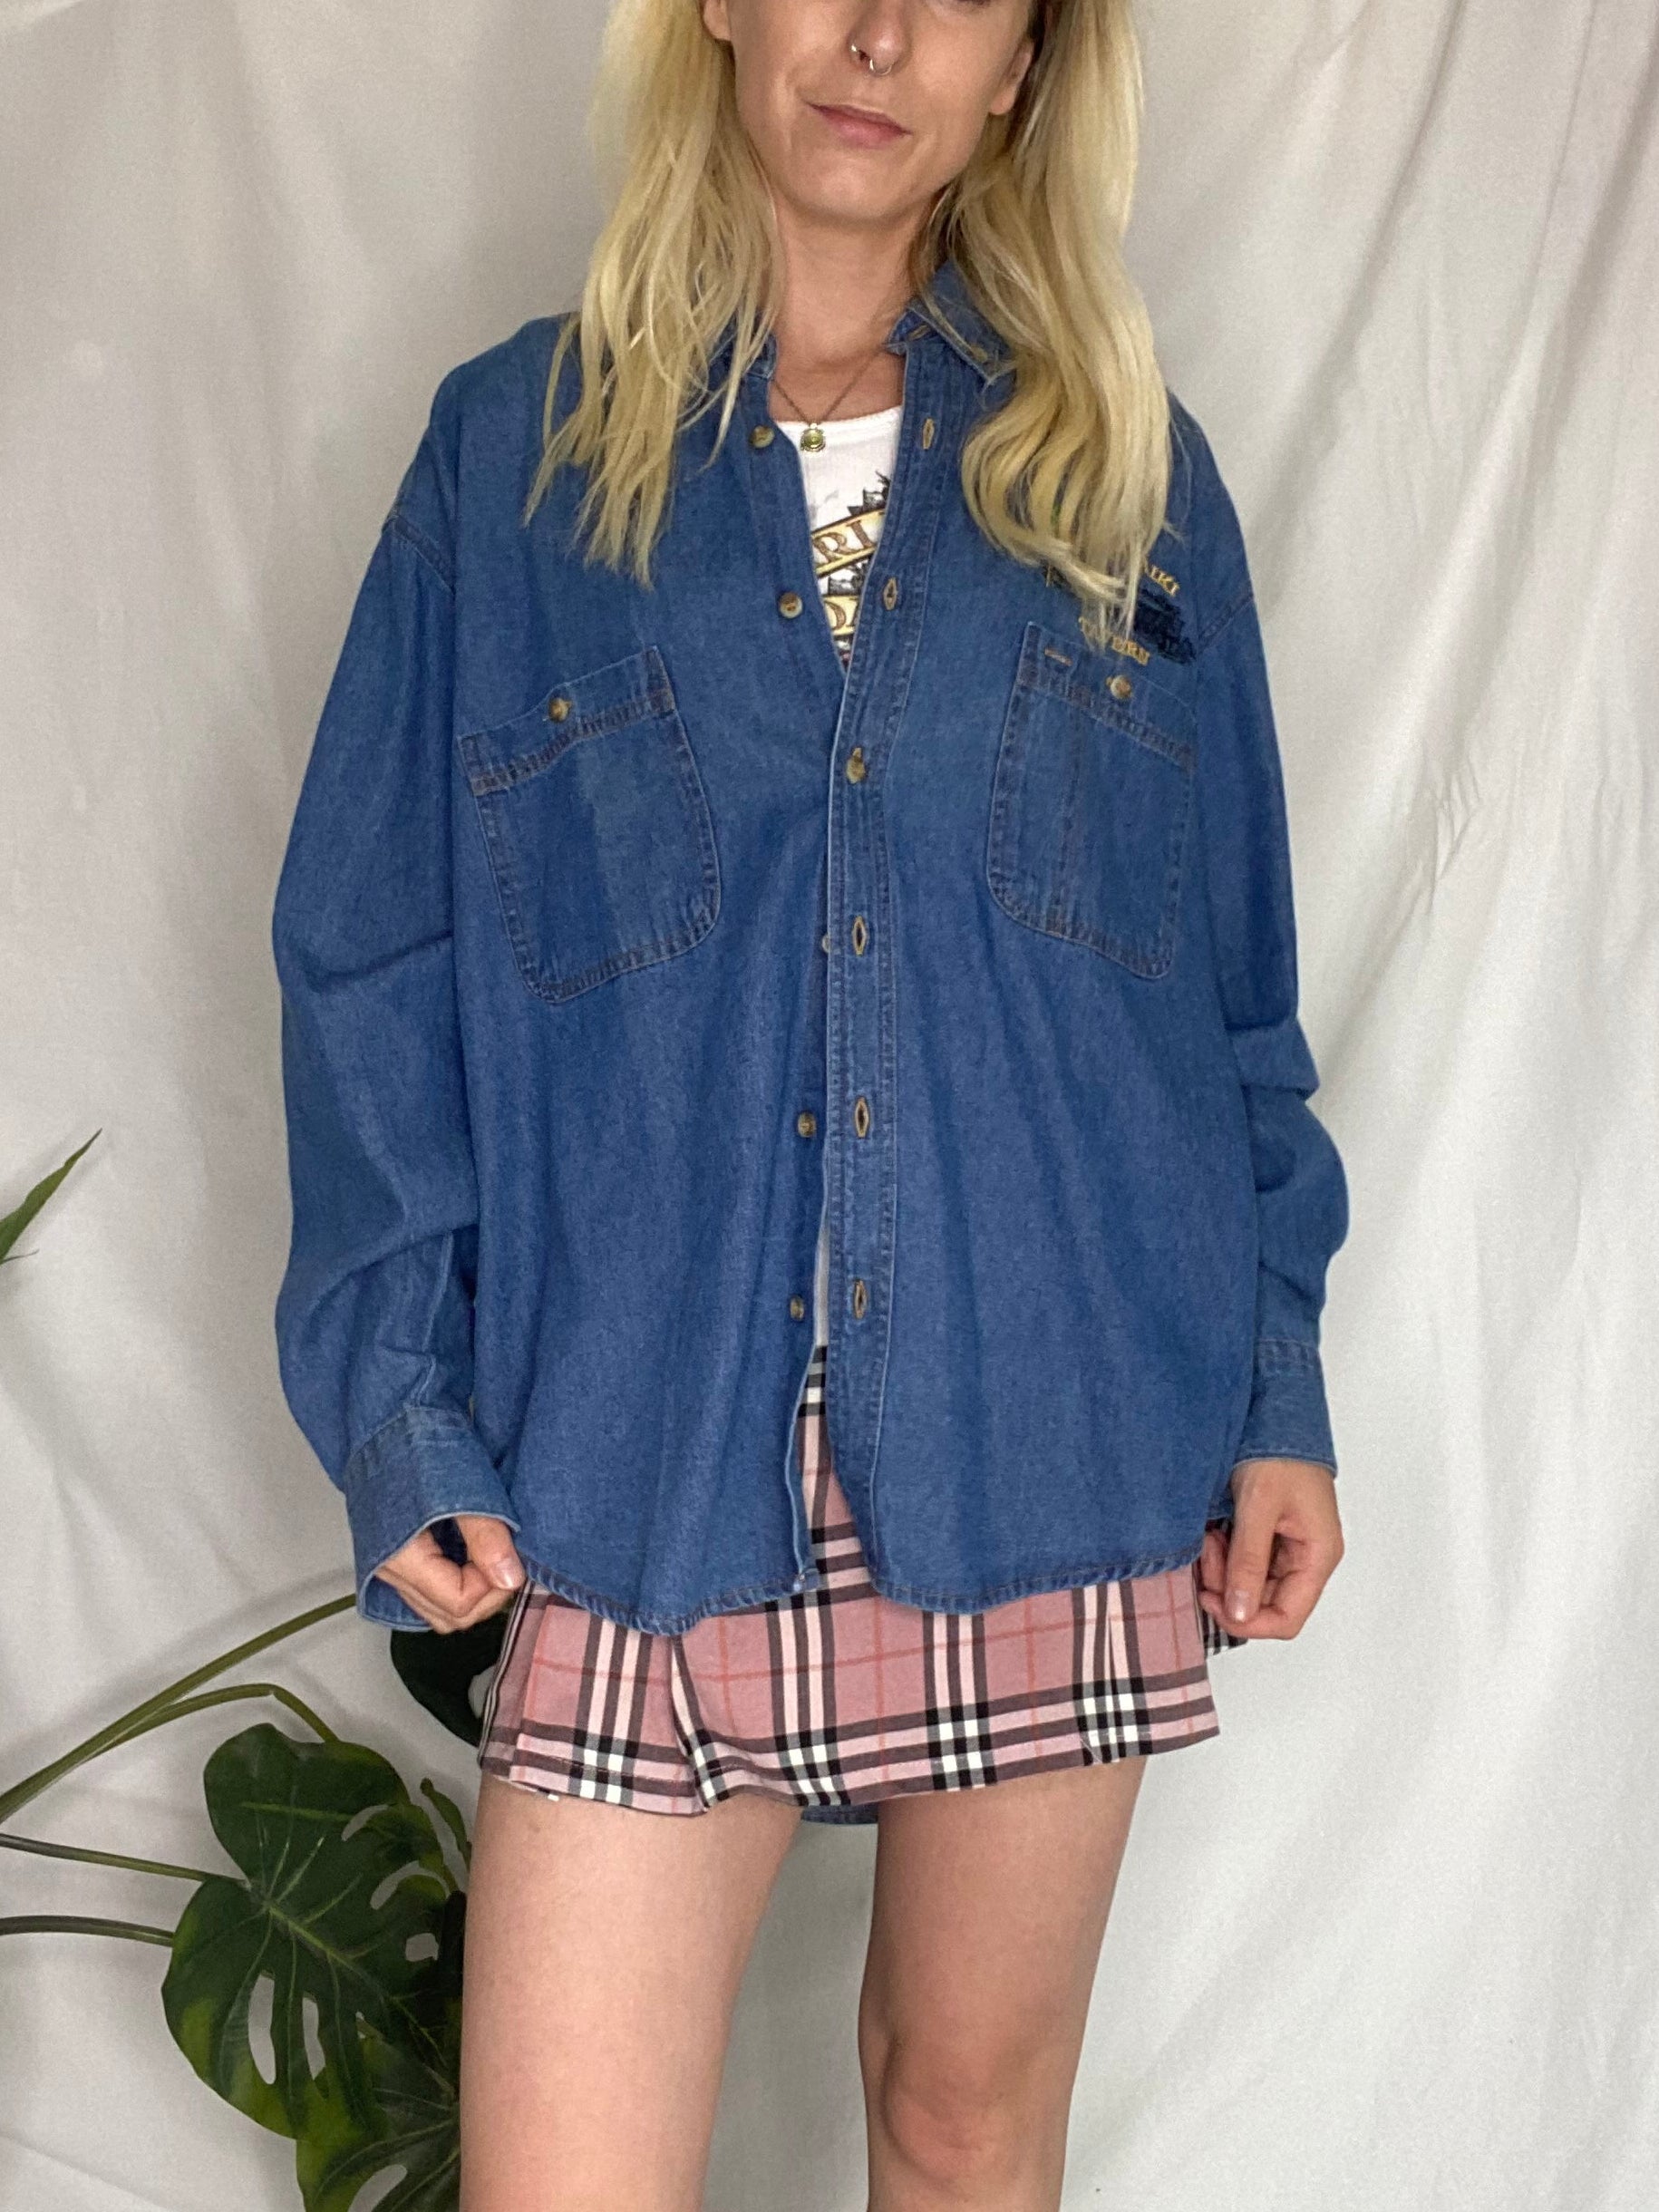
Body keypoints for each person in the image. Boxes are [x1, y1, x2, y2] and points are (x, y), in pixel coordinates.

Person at [269, 2, 1350, 2203]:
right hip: (647, 1451)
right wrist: (398, 1395)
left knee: (962, 2129)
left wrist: (1275, 1386)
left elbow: (1226, 990)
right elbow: (372, 957)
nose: (876, 37)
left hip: (1050, 1423)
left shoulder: (1129, 480)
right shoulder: (513, 462)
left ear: (1025, 63)